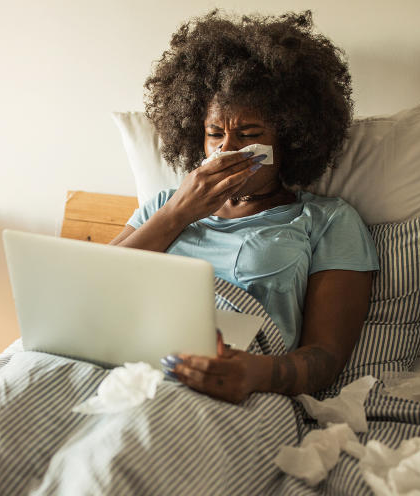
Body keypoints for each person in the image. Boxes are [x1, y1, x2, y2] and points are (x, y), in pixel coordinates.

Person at [110, 10, 378, 404]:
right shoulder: (166, 206)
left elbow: (326, 357)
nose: (226, 150)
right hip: (129, 362)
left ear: (289, 141)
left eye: (249, 135)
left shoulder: (327, 221)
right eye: (214, 134)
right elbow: (96, 288)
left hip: (239, 387)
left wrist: (256, 373)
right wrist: (179, 213)